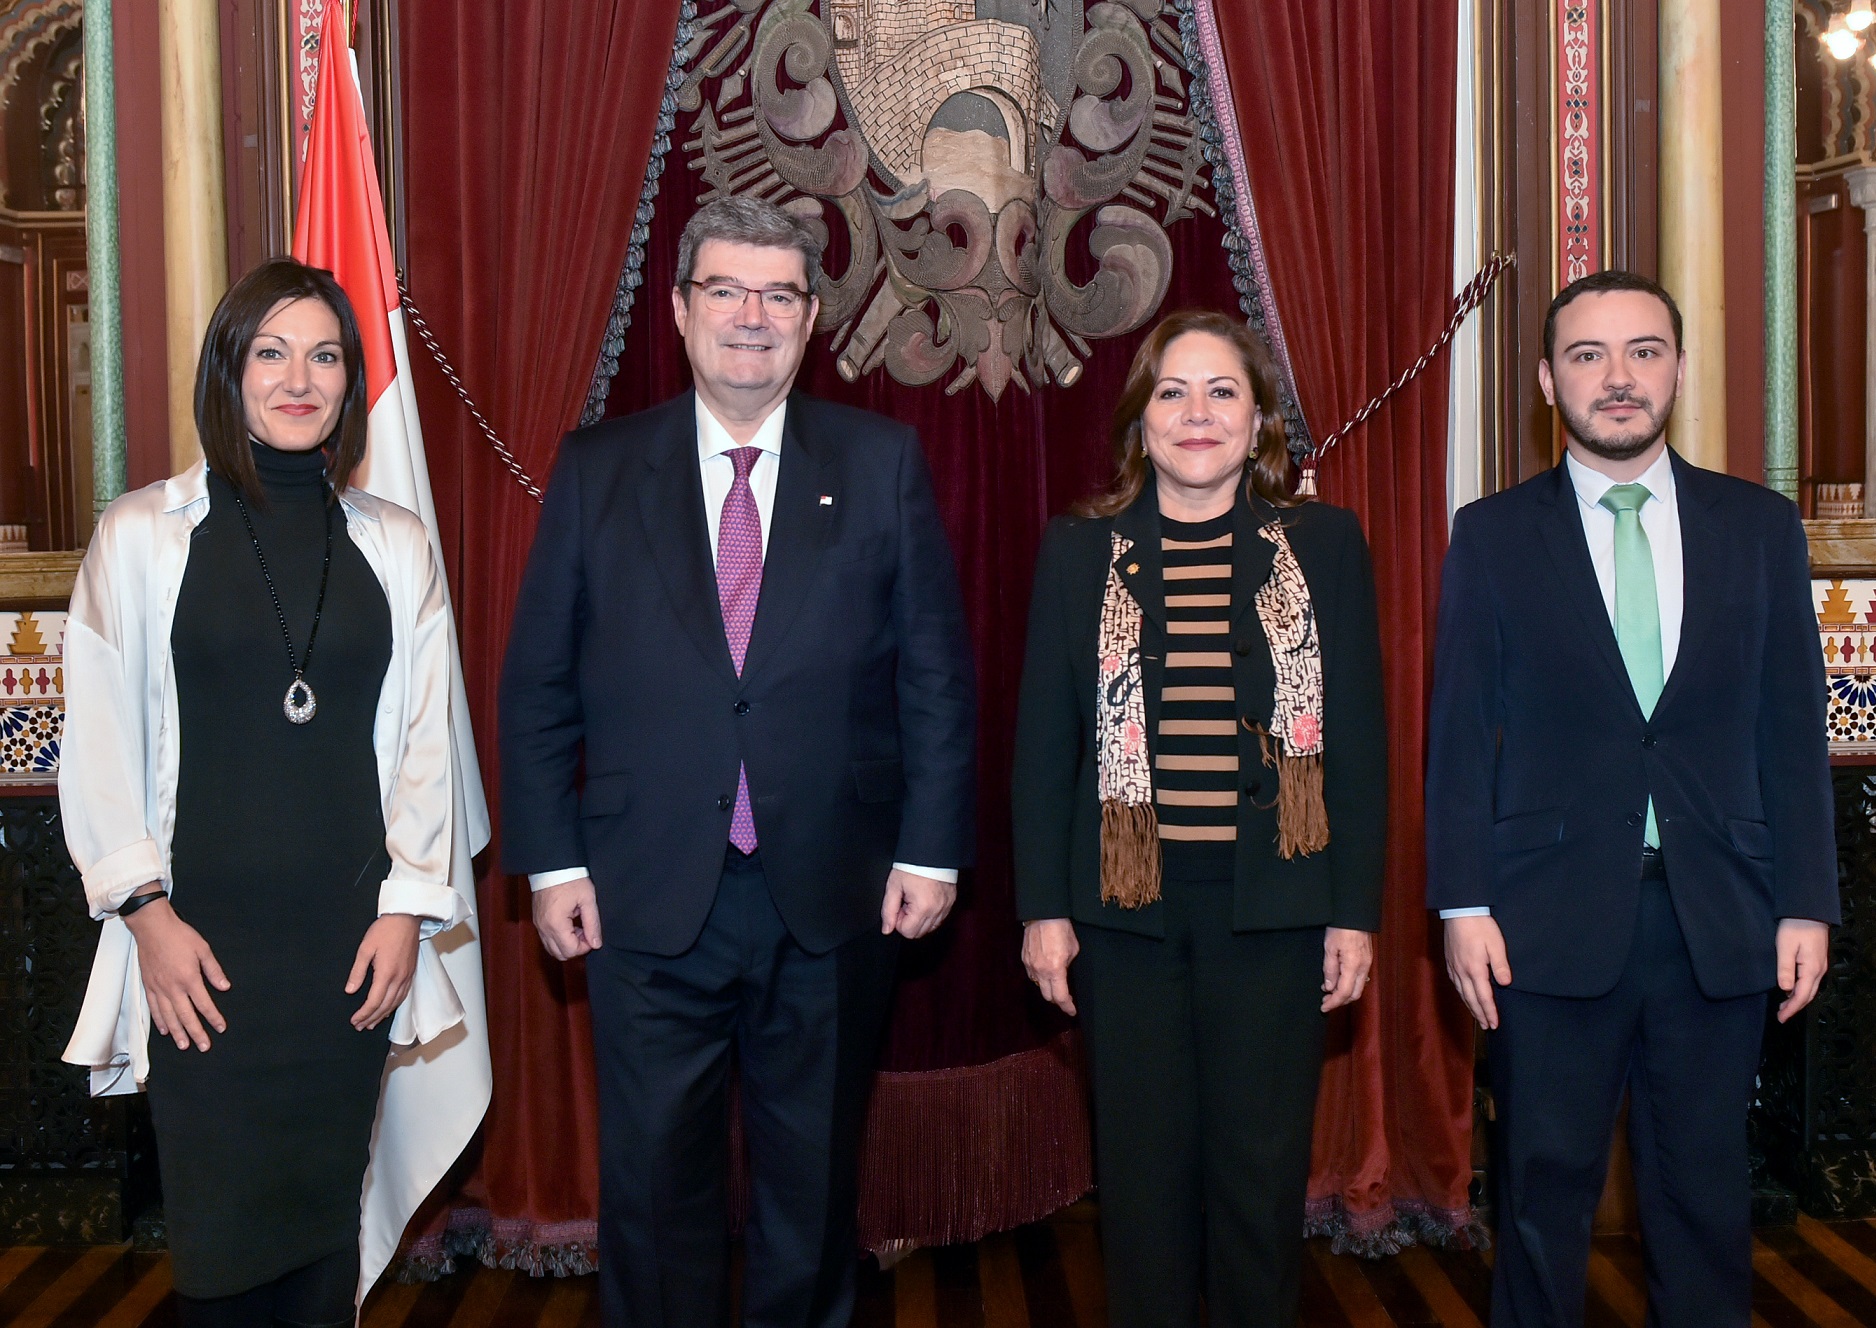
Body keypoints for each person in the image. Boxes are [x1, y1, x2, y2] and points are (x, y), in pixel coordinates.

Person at [499, 195, 976, 1328]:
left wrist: (933, 850)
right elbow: (537, 687)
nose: (751, 316)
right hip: (643, 890)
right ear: (678, 308)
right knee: (655, 1191)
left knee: (809, 1195)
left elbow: (935, 680)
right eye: (725, 289)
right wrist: (553, 865)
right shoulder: (596, 466)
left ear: (811, 318)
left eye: (777, 294)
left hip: (832, 890)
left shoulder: (881, 463)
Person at [59, 257, 472, 1327]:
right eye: (271, 351)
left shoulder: (396, 541)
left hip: (347, 955)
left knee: (325, 1241)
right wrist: (147, 917)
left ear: (348, 379)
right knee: (220, 1255)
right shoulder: (142, 534)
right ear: (229, 371)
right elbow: (96, 739)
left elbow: (429, 741)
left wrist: (405, 908)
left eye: (325, 354)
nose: (300, 377)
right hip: (202, 957)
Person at [1426, 269, 1837, 1326]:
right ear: (1545, 380)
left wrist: (1807, 903)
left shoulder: (1759, 528)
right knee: (1538, 1195)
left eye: (1642, 351)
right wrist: (1459, 905)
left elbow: (1792, 732)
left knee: (1702, 1197)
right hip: (1542, 920)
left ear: (1679, 368)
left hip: (1719, 915)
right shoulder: (1491, 535)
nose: (1618, 378)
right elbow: (1462, 737)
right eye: (1588, 354)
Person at [1012, 309, 1386, 1326]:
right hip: (1123, 912)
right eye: (1173, 391)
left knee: (1256, 1178)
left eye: (1222, 391)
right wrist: (1042, 908)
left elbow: (1355, 738)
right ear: (1141, 422)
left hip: (1273, 908)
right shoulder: (1081, 548)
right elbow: (1046, 741)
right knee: (1140, 1177)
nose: (1197, 413)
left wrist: (1352, 912)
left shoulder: (1323, 541)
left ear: (1259, 420)